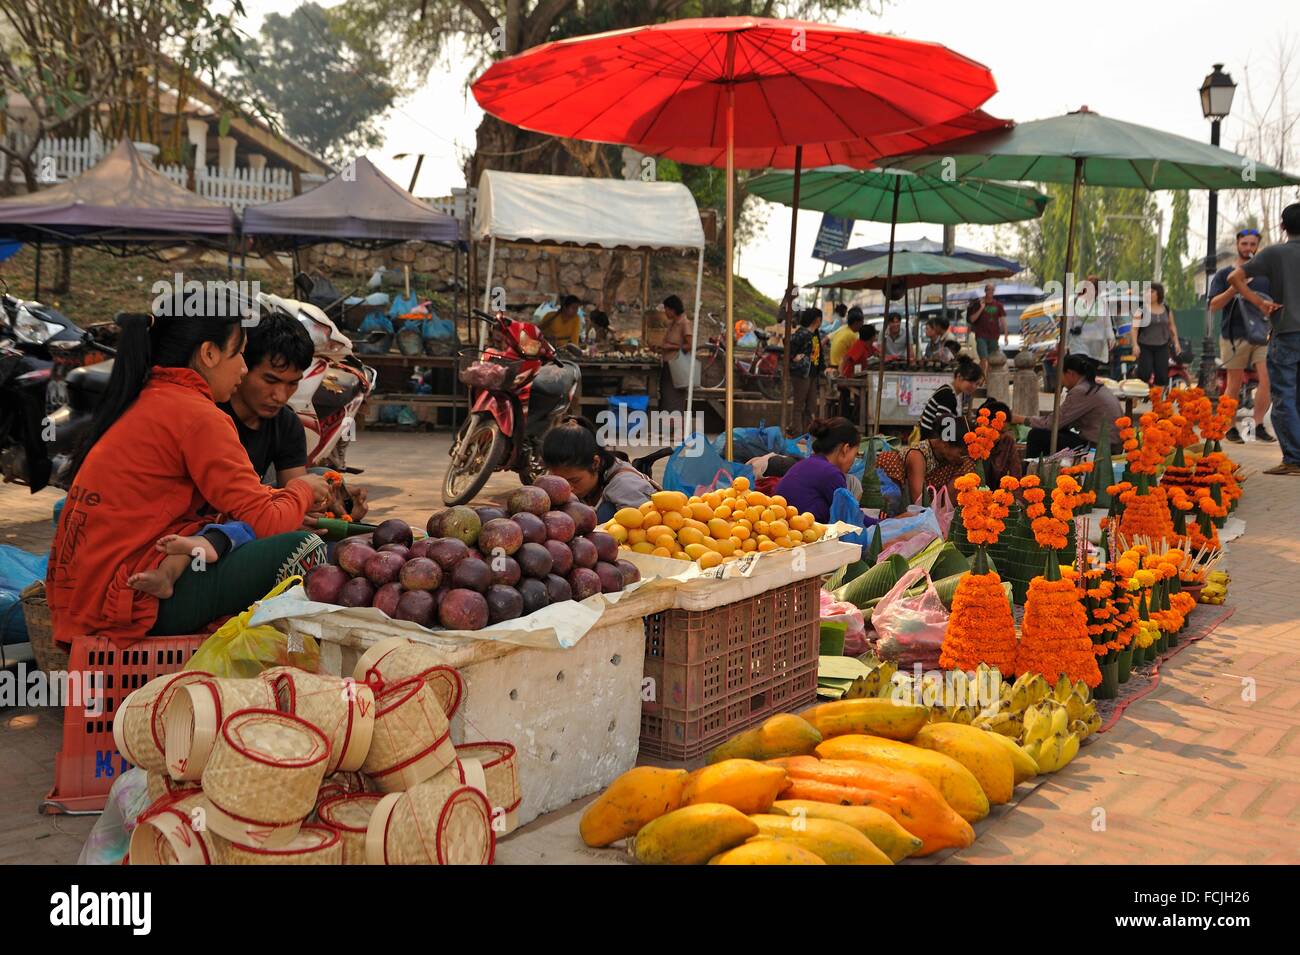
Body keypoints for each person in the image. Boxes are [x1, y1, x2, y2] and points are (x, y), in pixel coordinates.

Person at [46, 310, 334, 647]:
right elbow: (268, 520)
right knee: (304, 548)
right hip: (123, 601)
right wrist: (300, 490)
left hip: (83, 602)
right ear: (209, 353)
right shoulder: (198, 415)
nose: (242, 367)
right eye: (238, 353)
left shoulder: (151, 397)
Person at [220, 311, 369, 520]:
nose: (280, 396)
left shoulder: (286, 423)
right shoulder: (211, 414)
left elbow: (296, 491)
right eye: (270, 380)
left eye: (292, 383)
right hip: (207, 528)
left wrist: (331, 507)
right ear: (243, 367)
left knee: (319, 482)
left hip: (254, 511)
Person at [1229, 202, 1300, 475]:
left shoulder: (1273, 254)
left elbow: (1236, 277)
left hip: (1286, 332)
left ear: (1283, 227)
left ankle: (1294, 459)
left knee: (1284, 396)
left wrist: (1259, 303)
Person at [876, 356, 985, 504]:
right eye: (971, 382)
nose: (973, 387)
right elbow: (919, 500)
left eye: (976, 384)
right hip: (928, 442)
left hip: (937, 446)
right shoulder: (948, 396)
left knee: (968, 465)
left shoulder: (953, 395)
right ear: (959, 377)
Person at [1210, 228, 1274, 443]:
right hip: (1233, 335)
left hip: (1262, 335)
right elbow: (1213, 305)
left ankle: (1256, 425)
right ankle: (1230, 427)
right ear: (1237, 245)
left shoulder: (1266, 276)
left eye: (1252, 244)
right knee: (1234, 383)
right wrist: (1235, 288)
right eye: (1244, 244)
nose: (1248, 248)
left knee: (1267, 380)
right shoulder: (1223, 274)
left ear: (1258, 246)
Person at [541, 416, 657, 522]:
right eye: (560, 481)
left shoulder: (626, 487)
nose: (567, 489)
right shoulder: (557, 481)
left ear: (595, 463)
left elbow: (645, 530)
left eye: (574, 481)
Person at [1013, 353, 1122, 457]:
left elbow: (1052, 423)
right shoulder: (1095, 387)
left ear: (1070, 374)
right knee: (1055, 432)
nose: (1060, 381)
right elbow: (1063, 420)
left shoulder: (1081, 391)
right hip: (1108, 443)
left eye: (1060, 375)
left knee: (1037, 435)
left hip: (1099, 447)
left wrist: (1020, 419)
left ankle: (1032, 472)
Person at [774, 417, 860, 524]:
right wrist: (882, 522)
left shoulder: (804, 464)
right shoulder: (831, 473)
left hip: (783, 530)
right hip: (801, 535)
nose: (854, 460)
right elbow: (852, 516)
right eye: (855, 453)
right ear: (845, 449)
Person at [1130, 282, 1181, 389]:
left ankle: (1157, 401)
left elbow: (1172, 327)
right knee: (1145, 373)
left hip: (1162, 346)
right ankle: (1136, 393)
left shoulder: (1166, 309)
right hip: (1145, 346)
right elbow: (1134, 328)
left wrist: (1176, 343)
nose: (1148, 293)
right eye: (1147, 291)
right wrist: (1135, 345)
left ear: (1159, 293)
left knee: (1162, 375)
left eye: (1152, 291)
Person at [789, 308, 825, 432]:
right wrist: (794, 357)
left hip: (812, 375)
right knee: (799, 405)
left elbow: (820, 354)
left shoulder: (815, 334)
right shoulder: (801, 334)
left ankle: (807, 433)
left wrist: (822, 369)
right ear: (817, 320)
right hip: (801, 374)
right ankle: (797, 433)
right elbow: (788, 346)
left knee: (811, 407)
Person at [658, 294, 692, 414]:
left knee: (674, 399)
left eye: (666, 309)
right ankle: (667, 428)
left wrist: (671, 347)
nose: (665, 312)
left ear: (672, 309)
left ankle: (675, 429)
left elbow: (690, 346)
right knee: (666, 397)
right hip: (668, 365)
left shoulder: (684, 323)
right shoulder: (673, 323)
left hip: (678, 367)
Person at [1069, 274, 1114, 365]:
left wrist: (1111, 337)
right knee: (1081, 369)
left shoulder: (1102, 304)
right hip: (1079, 344)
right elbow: (1068, 324)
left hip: (1095, 346)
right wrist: (1064, 343)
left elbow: (1107, 324)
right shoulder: (1075, 302)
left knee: (1090, 372)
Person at [967, 284, 1007, 375]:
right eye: (988, 290)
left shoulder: (998, 305)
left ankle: (988, 379)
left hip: (993, 335)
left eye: (992, 290)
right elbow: (972, 319)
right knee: (983, 358)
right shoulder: (979, 304)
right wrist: (981, 308)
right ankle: (981, 378)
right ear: (985, 291)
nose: (990, 292)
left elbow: (1003, 320)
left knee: (991, 359)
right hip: (981, 335)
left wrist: (1006, 335)